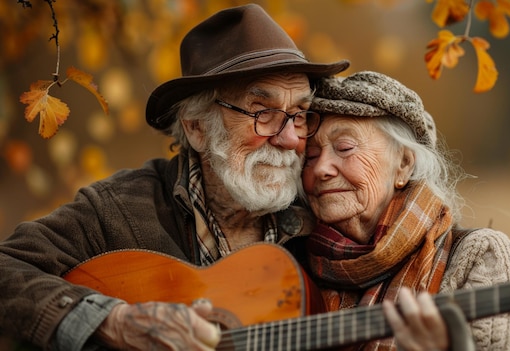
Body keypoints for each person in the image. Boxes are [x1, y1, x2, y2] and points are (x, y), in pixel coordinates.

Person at [0, 4, 351, 350]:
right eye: (262, 112)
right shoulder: (121, 208)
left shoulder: (326, 214)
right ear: (196, 128)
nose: (290, 138)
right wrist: (114, 323)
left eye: (300, 114)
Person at [300, 71, 510, 350]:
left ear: (404, 164)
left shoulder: (478, 255)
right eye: (310, 155)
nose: (321, 168)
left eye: (344, 147)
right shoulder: (290, 262)